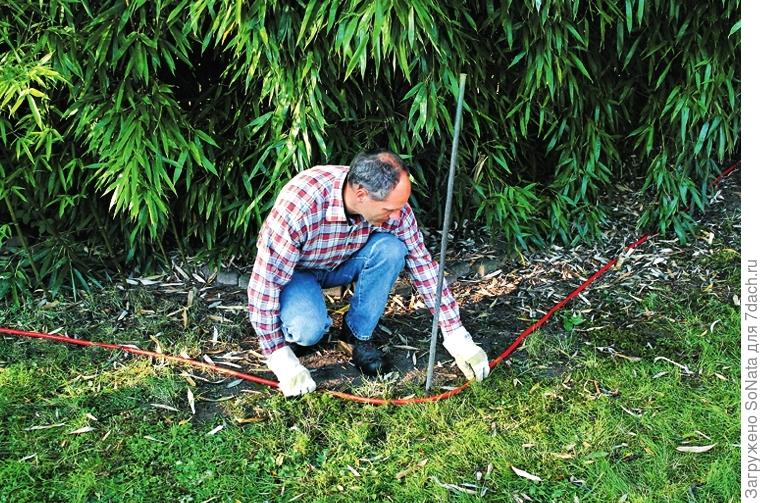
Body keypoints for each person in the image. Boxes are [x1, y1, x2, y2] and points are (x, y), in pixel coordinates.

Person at [247, 150, 490, 396]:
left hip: (343, 261)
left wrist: (457, 336)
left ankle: (356, 334)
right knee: (308, 331)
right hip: (297, 272)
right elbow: (264, 285)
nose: (398, 215)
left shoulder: (393, 207)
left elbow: (423, 265)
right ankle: (297, 335)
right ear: (361, 194)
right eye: (389, 209)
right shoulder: (301, 204)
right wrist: (280, 359)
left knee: (393, 249)